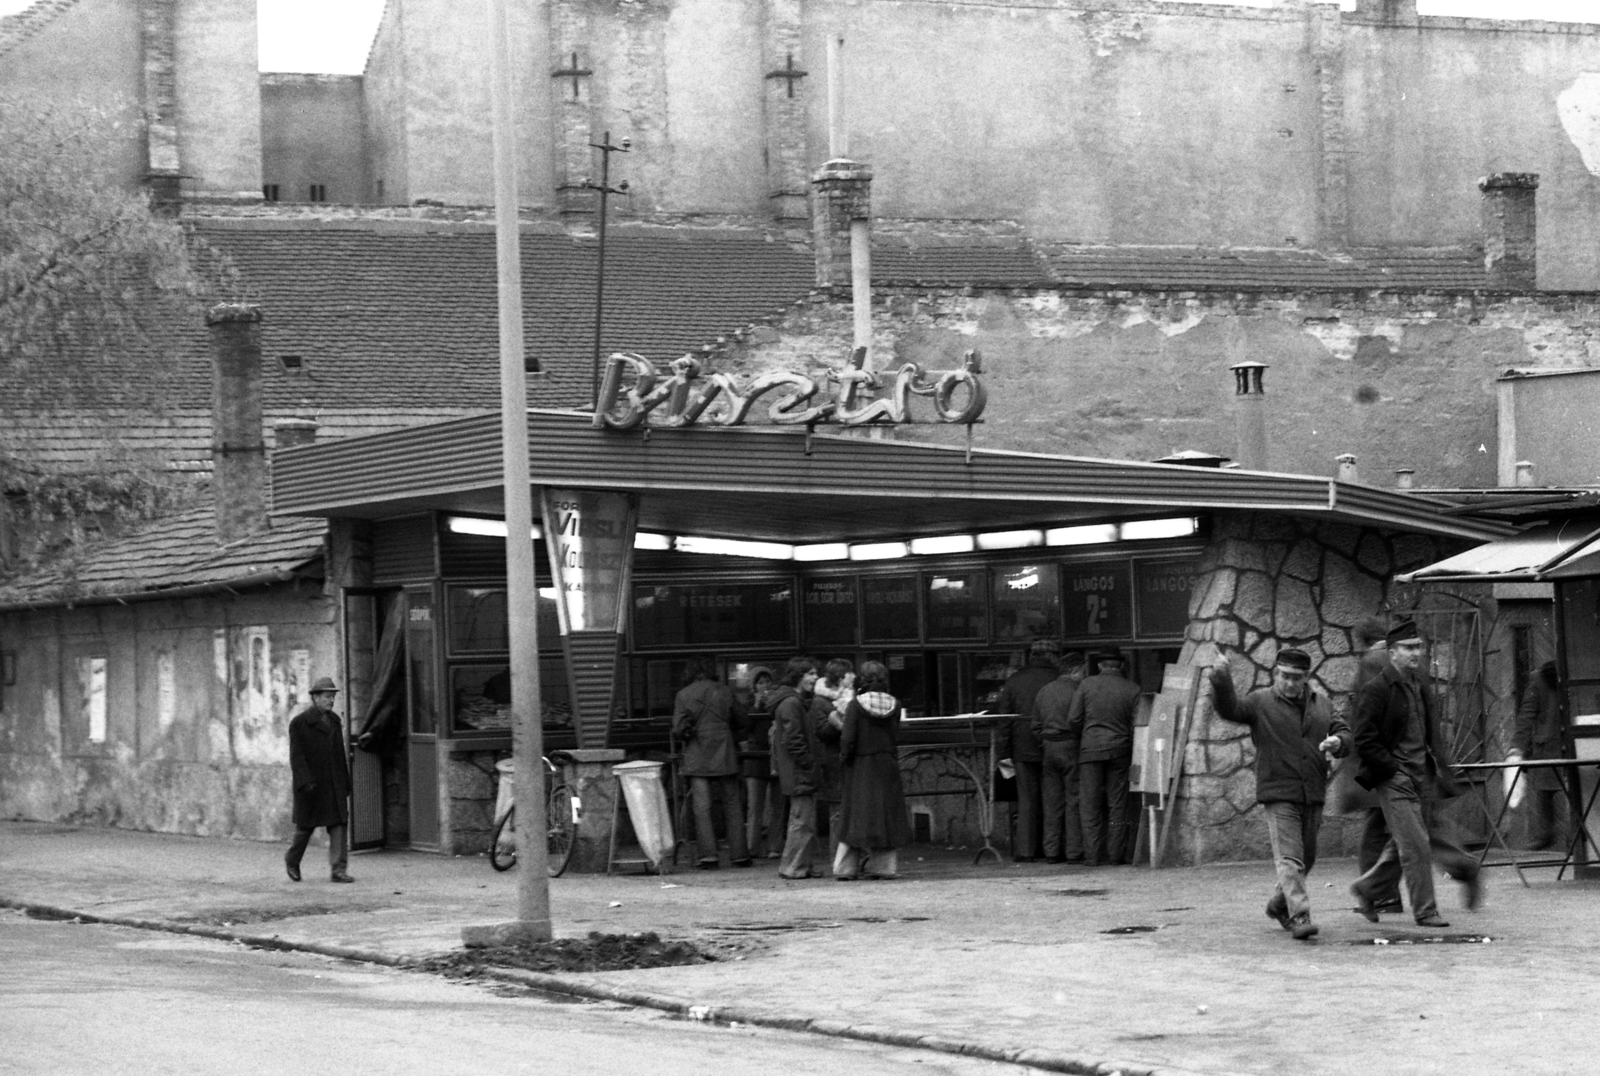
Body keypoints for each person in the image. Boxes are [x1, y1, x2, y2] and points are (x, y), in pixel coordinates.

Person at [1209, 649, 1352, 940]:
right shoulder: (1260, 702)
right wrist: (1221, 679)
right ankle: (1300, 916)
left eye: (1296, 678)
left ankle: (1278, 905)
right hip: (1278, 790)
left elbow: (1345, 732)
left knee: (1307, 858)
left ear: (1306, 678)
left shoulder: (1322, 704)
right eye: (1284, 676)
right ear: (1276, 673)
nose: (1289, 683)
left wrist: (1339, 742)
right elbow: (1230, 709)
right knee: (1290, 858)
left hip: (1312, 790)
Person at [1350, 620, 1482, 927]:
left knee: (1406, 844)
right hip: (1395, 780)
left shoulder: (1418, 684)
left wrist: (1441, 768)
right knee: (1417, 846)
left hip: (1423, 776)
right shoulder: (1378, 688)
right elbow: (1364, 739)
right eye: (1408, 648)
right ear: (1392, 652)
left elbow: (1429, 731)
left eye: (1419, 647)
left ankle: (1366, 889)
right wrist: (1392, 769)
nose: (1416, 653)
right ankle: (1426, 911)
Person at [1340, 614, 1403, 915]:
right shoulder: (1392, 660)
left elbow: (1366, 714)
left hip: (1376, 763)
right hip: (1394, 759)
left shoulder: (1370, 662)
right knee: (1390, 829)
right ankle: (1384, 894)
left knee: (1376, 832)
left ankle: (1376, 894)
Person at [836, 661, 912, 880]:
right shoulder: (895, 705)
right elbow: (895, 735)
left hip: (861, 765)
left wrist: (844, 760)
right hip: (886, 762)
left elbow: (848, 739)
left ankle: (846, 868)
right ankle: (883, 867)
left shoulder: (855, 706)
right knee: (886, 816)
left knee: (855, 817)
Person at [672, 658, 751, 870]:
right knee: (733, 804)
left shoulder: (683, 694)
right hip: (724, 750)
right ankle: (740, 854)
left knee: (702, 807)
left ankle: (708, 856)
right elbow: (743, 720)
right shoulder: (724, 691)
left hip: (697, 751)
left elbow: (678, 728)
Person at [1066, 650, 1142, 866]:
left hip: (1090, 750)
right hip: (1120, 750)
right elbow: (1137, 724)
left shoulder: (1086, 685)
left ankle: (1092, 856)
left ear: (1100, 666)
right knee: (1117, 803)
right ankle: (1115, 855)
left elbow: (1073, 719)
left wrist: (1085, 735)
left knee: (1089, 804)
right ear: (1120, 666)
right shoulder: (1132, 688)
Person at [996, 638, 1062, 862]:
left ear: (1031, 656)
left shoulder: (1014, 681)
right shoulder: (1058, 679)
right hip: (1053, 745)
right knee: (1053, 798)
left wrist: (1003, 754)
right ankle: (1052, 848)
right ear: (1053, 656)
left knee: (1026, 801)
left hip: (1022, 748)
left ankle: (1025, 850)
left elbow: (1004, 722)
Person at [286, 677, 354, 884]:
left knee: (339, 824)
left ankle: (338, 869)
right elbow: (296, 757)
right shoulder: (299, 723)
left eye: (333, 697)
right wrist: (305, 782)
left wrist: (345, 781)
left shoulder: (334, 721)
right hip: (311, 786)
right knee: (305, 828)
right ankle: (292, 860)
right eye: (327, 696)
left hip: (333, 783)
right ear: (315, 698)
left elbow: (340, 754)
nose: (331, 700)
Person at [770, 656, 823, 879]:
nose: (815, 678)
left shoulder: (790, 701)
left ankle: (801, 865)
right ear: (799, 676)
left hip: (795, 769)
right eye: (810, 674)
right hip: (798, 770)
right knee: (802, 821)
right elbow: (794, 740)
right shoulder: (792, 703)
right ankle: (793, 866)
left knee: (803, 820)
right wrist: (809, 763)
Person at [1033, 651, 1088, 864]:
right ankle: (1074, 852)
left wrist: (1045, 742)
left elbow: (1035, 725)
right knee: (1073, 800)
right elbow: (1082, 720)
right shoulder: (1078, 691)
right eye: (1083, 672)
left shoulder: (1044, 691)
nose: (1084, 676)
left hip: (1048, 748)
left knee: (1051, 803)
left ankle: (1052, 851)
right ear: (1074, 672)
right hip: (1071, 746)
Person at [1511, 660, 1567, 851]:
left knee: (1550, 792)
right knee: (1547, 792)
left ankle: (1557, 834)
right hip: (1553, 745)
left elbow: (1526, 715)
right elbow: (1527, 715)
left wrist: (1517, 747)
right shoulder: (1541, 678)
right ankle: (1549, 833)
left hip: (1556, 744)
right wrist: (1517, 747)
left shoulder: (1539, 677)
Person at [809, 659, 854, 872]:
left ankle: (848, 859)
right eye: (849, 673)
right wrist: (838, 721)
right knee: (837, 813)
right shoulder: (820, 702)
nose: (853, 676)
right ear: (840, 677)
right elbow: (822, 731)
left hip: (845, 760)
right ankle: (837, 860)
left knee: (845, 812)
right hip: (832, 762)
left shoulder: (850, 697)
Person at [737, 666, 782, 859]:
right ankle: (751, 848)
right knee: (754, 807)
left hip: (776, 757)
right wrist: (756, 706)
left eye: (767, 681)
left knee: (777, 807)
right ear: (753, 687)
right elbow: (744, 727)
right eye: (760, 682)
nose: (764, 686)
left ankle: (775, 847)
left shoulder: (779, 702)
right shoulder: (746, 704)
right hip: (755, 759)